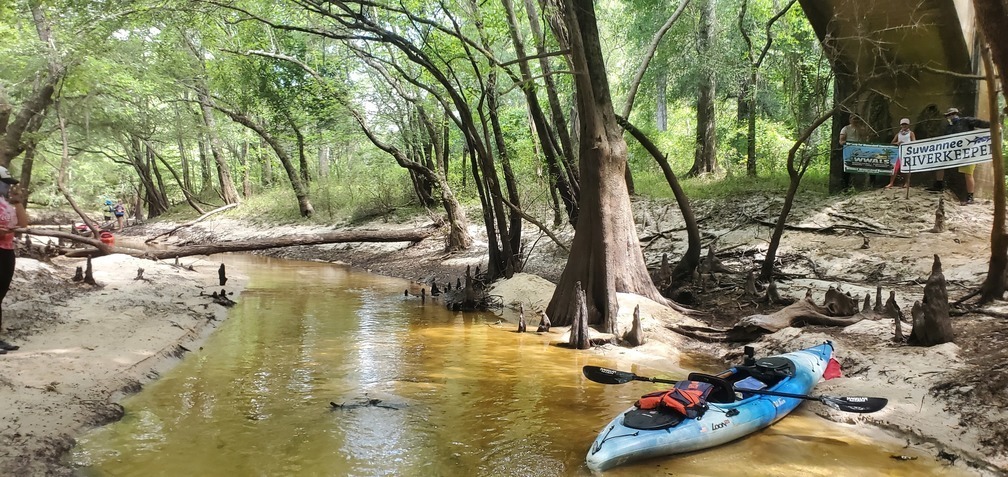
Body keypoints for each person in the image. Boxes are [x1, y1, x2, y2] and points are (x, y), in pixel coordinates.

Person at [927, 107, 990, 204]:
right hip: (952, 152)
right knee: (939, 163)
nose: (950, 117)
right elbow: (945, 140)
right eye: (948, 115)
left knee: (968, 173)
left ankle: (970, 196)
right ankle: (939, 184)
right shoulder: (948, 127)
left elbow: (980, 123)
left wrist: (993, 125)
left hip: (967, 152)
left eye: (951, 114)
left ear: (956, 114)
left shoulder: (966, 121)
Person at [0, 165, 28, 354]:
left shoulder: (6, 203)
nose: (7, 187)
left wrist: (17, 202)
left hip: (7, 252)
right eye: (4, 183)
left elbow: (24, 223)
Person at [885, 118, 916, 189]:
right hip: (899, 152)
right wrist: (897, 143)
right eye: (903, 124)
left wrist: (908, 144)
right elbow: (892, 143)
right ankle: (891, 183)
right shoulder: (898, 134)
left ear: (908, 125)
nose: (904, 126)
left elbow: (914, 142)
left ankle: (906, 183)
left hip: (907, 153)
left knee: (907, 168)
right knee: (895, 168)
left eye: (905, 124)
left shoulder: (911, 133)